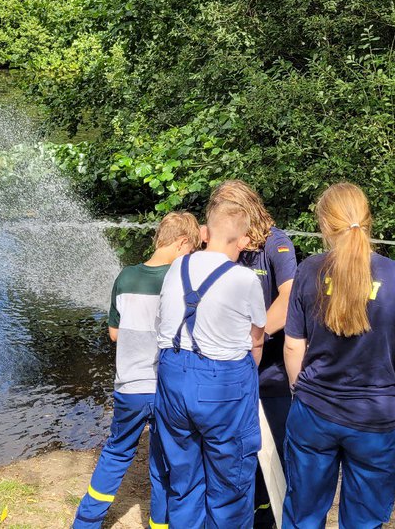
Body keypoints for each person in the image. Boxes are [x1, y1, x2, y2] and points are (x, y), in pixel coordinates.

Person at [282, 183, 395, 529]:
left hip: (314, 413)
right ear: (368, 221)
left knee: (303, 515)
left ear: (324, 226)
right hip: (376, 420)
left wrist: (299, 391)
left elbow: (292, 346)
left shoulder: (309, 270)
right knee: (363, 523)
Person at [73, 211, 201, 529]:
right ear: (183, 242)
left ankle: (86, 522)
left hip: (129, 386)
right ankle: (160, 524)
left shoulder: (126, 276)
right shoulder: (181, 282)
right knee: (163, 459)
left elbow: (114, 334)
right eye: (192, 249)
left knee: (116, 452)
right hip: (166, 389)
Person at [154, 196, 267, 528]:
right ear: (245, 240)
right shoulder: (245, 280)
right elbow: (256, 341)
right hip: (222, 385)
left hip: (173, 377)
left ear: (204, 232)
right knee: (229, 487)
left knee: (184, 479)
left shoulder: (178, 265)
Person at [207, 180, 297, 528]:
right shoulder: (223, 243)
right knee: (233, 457)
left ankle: (272, 517)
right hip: (227, 370)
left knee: (274, 457)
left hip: (270, 371)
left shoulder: (276, 243)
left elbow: (289, 299)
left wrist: (250, 338)